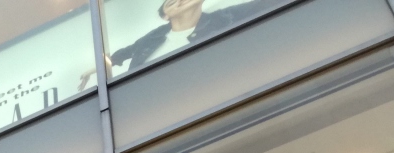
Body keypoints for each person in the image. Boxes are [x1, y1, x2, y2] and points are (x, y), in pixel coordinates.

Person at [106, 0, 276, 74]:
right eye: (172, 1)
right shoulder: (152, 38)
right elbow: (124, 53)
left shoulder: (223, 18)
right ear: (165, 15)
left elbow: (263, 5)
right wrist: (103, 64)